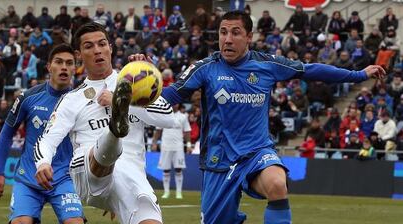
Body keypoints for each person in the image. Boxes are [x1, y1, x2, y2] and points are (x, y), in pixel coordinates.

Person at [159, 11, 385, 224]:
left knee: (277, 183)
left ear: (249, 37)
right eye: (223, 32)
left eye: (235, 32)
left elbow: (312, 69)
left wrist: (358, 75)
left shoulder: (267, 65)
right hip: (219, 161)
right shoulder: (205, 68)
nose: (227, 39)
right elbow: (168, 96)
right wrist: (139, 93)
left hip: (256, 153)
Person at [34, 22, 179, 224]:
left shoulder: (135, 80)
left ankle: (116, 125)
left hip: (130, 175)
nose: (97, 50)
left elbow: (168, 117)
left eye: (102, 44)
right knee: (108, 146)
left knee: (149, 218)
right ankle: (114, 130)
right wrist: (42, 163)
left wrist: (123, 102)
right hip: (87, 171)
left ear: (110, 47)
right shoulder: (72, 99)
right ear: (78, 55)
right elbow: (47, 140)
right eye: (89, 46)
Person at [0, 44, 84, 224]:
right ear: (49, 66)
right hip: (29, 176)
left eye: (69, 63)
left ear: (74, 68)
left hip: (65, 177)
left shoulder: (81, 102)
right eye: (59, 62)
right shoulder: (28, 97)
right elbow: (6, 134)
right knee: (21, 222)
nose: (64, 67)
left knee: (74, 222)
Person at [152, 104, 192, 199]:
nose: (174, 105)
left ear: (178, 105)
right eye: (173, 103)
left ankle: (179, 192)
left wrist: (189, 145)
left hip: (178, 146)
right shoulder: (164, 115)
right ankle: (166, 192)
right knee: (166, 170)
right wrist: (154, 143)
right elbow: (158, 131)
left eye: (176, 103)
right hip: (166, 146)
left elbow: (187, 132)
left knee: (178, 169)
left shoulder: (183, 117)